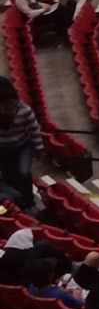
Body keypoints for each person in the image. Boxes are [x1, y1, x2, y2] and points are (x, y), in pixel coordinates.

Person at [0, 77, 40, 211]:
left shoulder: (25, 111)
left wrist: (39, 149)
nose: (8, 107)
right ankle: (18, 204)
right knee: (9, 176)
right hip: (4, 149)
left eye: (10, 102)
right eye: (4, 104)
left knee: (24, 173)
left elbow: (35, 130)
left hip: (23, 147)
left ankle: (30, 203)